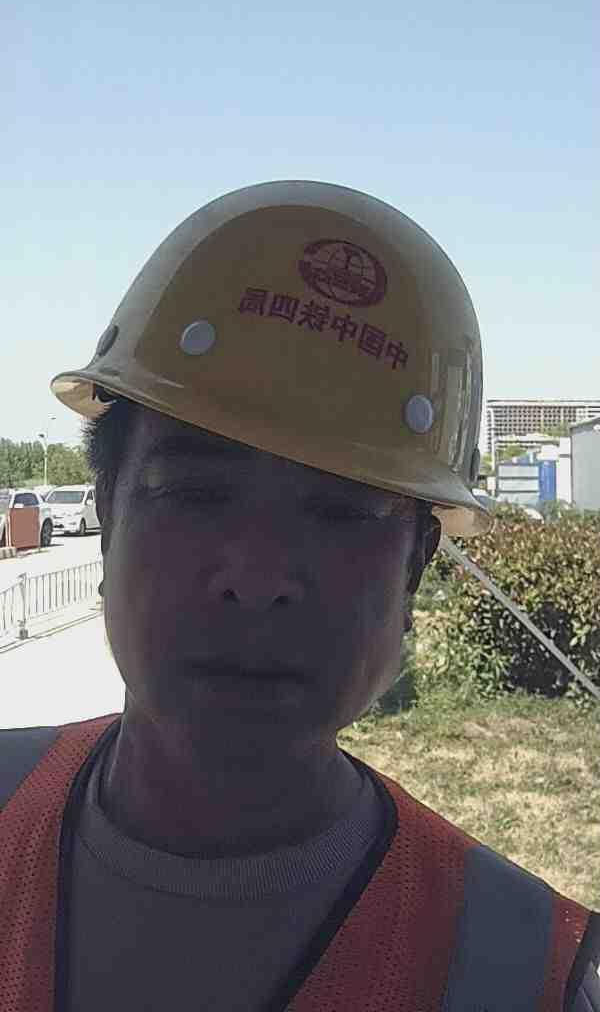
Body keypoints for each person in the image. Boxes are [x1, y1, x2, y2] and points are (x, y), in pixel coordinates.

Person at [0, 181, 598, 1011]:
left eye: (342, 512)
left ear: (415, 565)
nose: (257, 578)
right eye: (196, 492)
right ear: (108, 512)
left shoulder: (527, 973)